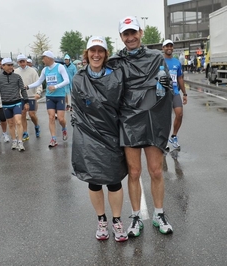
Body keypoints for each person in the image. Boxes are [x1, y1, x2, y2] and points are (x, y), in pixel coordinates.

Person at [108, 16, 174, 236]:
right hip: (129, 121)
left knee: (156, 171)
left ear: (141, 33)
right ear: (121, 37)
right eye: (126, 34)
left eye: (133, 32)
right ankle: (136, 217)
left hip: (153, 119)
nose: (131, 37)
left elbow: (167, 85)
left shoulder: (156, 57)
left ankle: (159, 213)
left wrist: (167, 84)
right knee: (134, 172)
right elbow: (106, 89)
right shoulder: (116, 62)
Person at [71, 36, 128, 242]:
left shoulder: (116, 76)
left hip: (112, 133)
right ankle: (101, 219)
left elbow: (123, 104)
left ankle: (117, 221)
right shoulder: (78, 78)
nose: (96, 54)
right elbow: (77, 108)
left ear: (105, 54)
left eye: (100, 51)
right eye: (92, 51)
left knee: (114, 180)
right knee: (94, 180)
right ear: (87, 54)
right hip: (88, 135)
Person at [26, 51, 70, 147]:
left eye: (44, 58)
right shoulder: (45, 70)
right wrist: (28, 87)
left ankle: (64, 128)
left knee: (61, 118)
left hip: (60, 96)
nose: (42, 60)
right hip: (50, 96)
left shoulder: (60, 67)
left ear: (49, 58)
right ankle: (53, 139)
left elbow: (67, 80)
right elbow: (39, 82)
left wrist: (56, 86)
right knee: (51, 117)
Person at [0, 58, 29, 151]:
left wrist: (26, 101)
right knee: (11, 123)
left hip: (17, 102)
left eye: (11, 65)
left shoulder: (17, 76)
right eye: (8, 65)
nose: (10, 67)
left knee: (18, 121)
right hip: (6, 104)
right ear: (3, 66)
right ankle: (14, 140)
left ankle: (20, 142)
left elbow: (22, 89)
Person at [162, 39, 188, 149]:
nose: (169, 48)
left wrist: (185, 93)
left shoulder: (177, 62)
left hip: (175, 92)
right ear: (163, 48)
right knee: (164, 118)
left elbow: (180, 78)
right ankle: (163, 141)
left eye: (171, 46)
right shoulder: (159, 61)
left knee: (179, 114)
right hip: (163, 93)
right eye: (166, 46)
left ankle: (174, 136)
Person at [14, 54, 43, 141]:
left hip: (31, 96)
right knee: (23, 114)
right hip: (21, 97)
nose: (22, 63)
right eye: (20, 62)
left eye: (24, 61)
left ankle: (36, 126)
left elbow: (38, 82)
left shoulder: (32, 71)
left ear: (26, 61)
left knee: (31, 114)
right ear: (18, 62)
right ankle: (25, 132)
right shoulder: (15, 72)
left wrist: (38, 92)